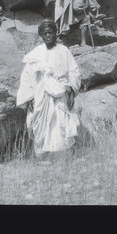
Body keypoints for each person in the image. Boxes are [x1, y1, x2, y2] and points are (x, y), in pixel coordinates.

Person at [16, 19, 82, 156]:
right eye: (45, 33)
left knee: (61, 124)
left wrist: (71, 89)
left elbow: (74, 71)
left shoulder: (64, 51)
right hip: (41, 96)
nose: (48, 35)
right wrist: (29, 98)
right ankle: (43, 155)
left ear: (55, 34)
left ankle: (64, 155)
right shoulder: (35, 54)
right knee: (41, 126)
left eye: (50, 32)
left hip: (60, 95)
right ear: (41, 35)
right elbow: (27, 77)